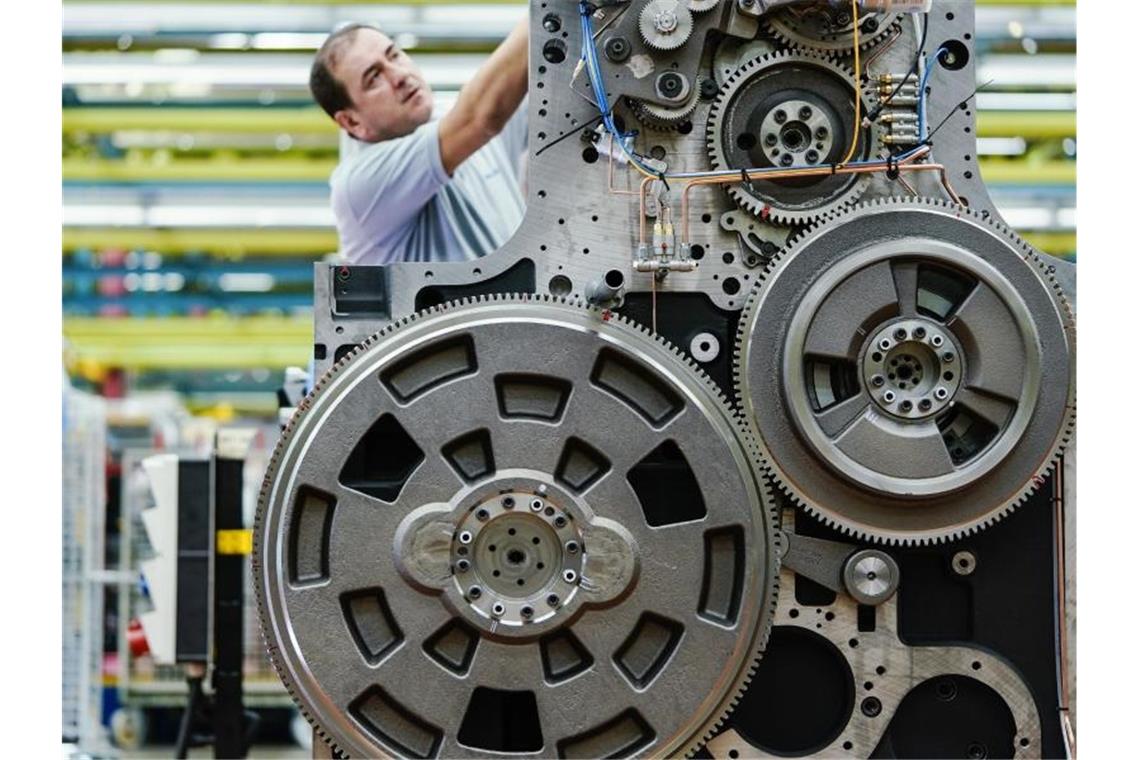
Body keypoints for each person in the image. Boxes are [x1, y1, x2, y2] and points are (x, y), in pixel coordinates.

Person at [309, 19, 529, 265]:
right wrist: (546, 12)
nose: (399, 75)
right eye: (374, 77)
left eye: (393, 55)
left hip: (534, 302)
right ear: (352, 122)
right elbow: (481, 117)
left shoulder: (458, 122)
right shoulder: (359, 184)